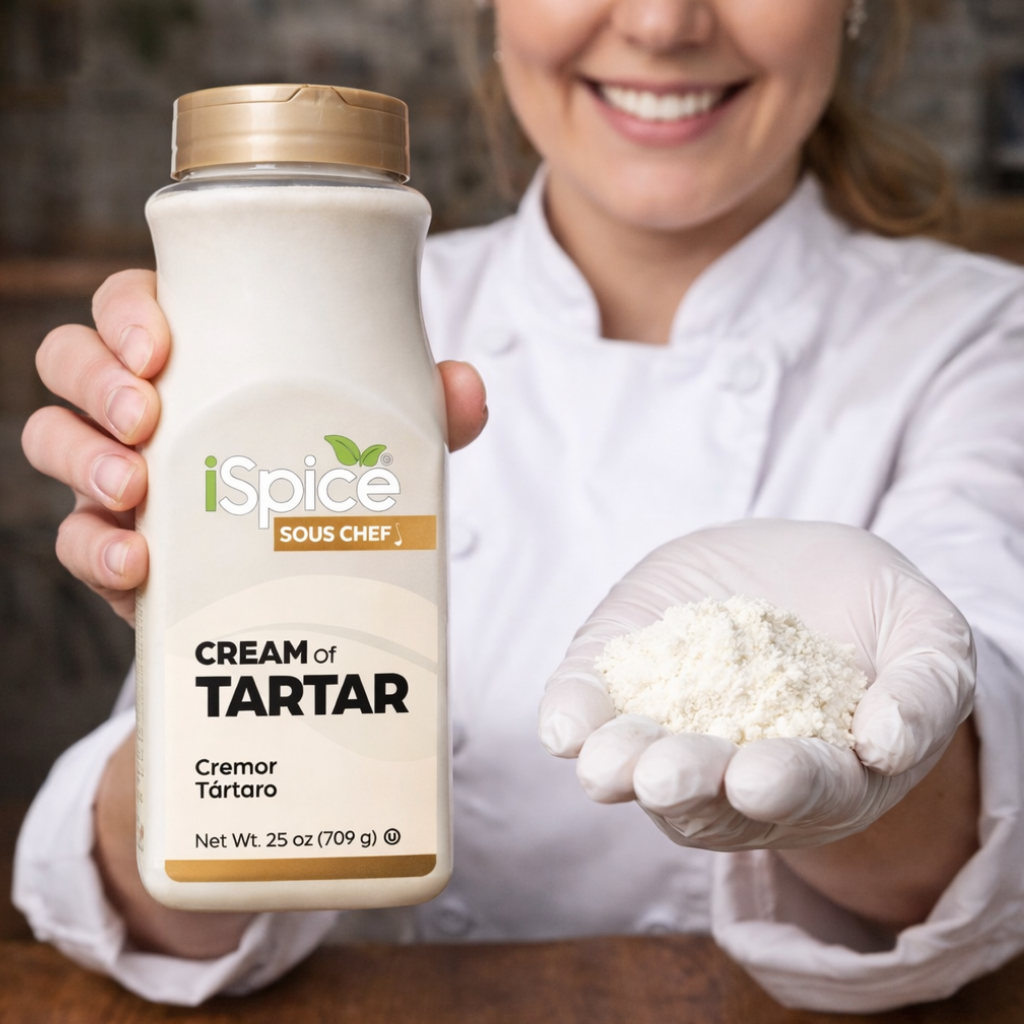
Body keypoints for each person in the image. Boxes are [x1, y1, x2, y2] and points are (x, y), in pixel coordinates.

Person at [15, 0, 1024, 1012]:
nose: (664, 22)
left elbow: (981, 831)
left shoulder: (979, 338)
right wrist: (202, 633)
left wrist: (869, 781)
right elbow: (150, 907)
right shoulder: (363, 309)